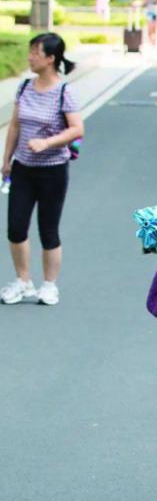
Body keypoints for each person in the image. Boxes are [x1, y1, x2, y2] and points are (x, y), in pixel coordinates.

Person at [1, 34, 84, 307]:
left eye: (35, 53)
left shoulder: (63, 92)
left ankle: (49, 285)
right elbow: (15, 125)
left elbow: (77, 129)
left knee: (48, 230)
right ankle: (23, 281)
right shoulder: (25, 87)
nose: (30, 57)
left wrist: (47, 142)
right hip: (23, 168)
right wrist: (6, 159)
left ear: (50, 58)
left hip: (52, 171)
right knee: (15, 228)